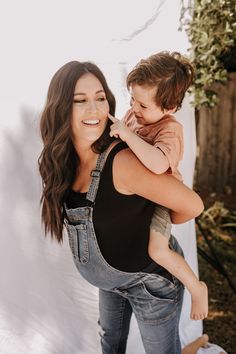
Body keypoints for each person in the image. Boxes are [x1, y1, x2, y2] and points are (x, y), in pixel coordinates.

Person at [38, 60, 204, 354]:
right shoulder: (64, 162)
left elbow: (192, 205)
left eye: (100, 98)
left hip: (150, 283)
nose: (95, 109)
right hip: (114, 282)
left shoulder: (124, 162)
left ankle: (196, 293)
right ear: (60, 107)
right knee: (109, 344)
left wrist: (159, 207)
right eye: (81, 100)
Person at [108, 51, 208, 321]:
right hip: (137, 199)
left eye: (143, 105)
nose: (134, 109)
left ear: (170, 107)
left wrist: (127, 134)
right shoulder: (135, 115)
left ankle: (196, 287)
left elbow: (156, 164)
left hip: (160, 201)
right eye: (132, 100)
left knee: (157, 249)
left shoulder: (169, 130)